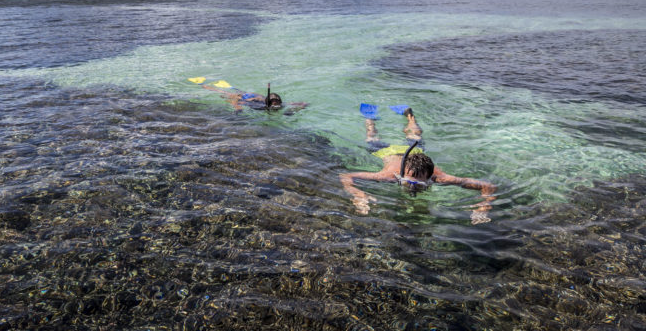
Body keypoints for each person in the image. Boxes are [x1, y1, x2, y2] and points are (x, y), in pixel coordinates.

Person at [339, 108, 496, 225]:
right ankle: (370, 118)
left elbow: (488, 186)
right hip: (386, 152)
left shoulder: (440, 178)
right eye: (408, 183)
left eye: (418, 184)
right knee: (371, 137)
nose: (412, 189)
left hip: (415, 151)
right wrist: (358, 194)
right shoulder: (388, 176)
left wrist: (483, 207)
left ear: (429, 178)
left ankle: (409, 115)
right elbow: (345, 176)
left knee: (415, 135)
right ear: (401, 175)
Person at [201, 82, 308, 114]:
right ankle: (209, 87)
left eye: (277, 102)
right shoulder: (259, 107)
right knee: (228, 94)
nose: (276, 104)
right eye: (273, 102)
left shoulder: (281, 105)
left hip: (258, 97)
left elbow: (302, 103)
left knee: (249, 94)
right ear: (269, 103)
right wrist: (237, 108)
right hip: (248, 98)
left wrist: (296, 109)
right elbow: (237, 103)